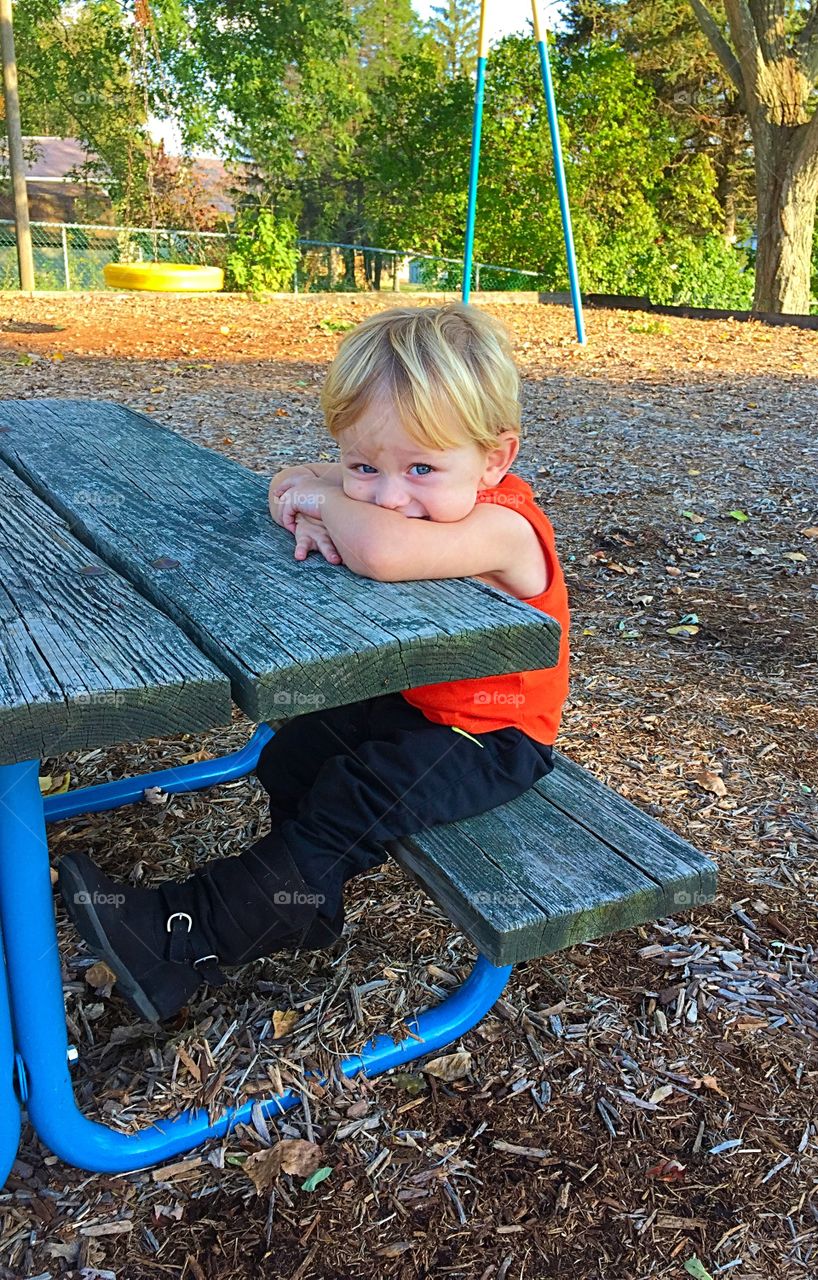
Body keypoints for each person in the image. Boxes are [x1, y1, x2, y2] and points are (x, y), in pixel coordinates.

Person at [58, 303, 570, 1023]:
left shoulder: (508, 527)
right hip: (422, 706)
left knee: (350, 798)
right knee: (295, 755)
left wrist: (331, 498)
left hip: (495, 741)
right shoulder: (409, 485)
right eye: (366, 464)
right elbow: (288, 477)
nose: (391, 494)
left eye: (422, 468)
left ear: (495, 458)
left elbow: (380, 548)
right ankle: (303, 902)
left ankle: (182, 941)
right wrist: (316, 494)